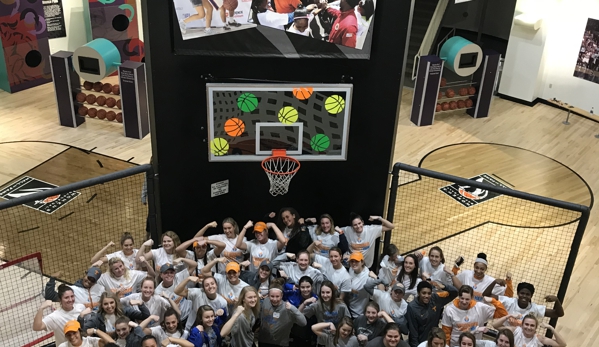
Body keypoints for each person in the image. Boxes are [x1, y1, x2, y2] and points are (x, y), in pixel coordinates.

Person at [441, 285, 507, 346]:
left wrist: (493, 301)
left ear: (472, 297)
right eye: (462, 298)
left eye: (467, 299)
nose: (464, 302)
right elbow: (446, 332)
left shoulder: (480, 307)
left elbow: (502, 314)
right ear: (458, 296)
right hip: (456, 345)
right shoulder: (449, 310)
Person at [406, 281, 457, 347]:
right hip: (421, 341)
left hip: (435, 339)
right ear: (418, 293)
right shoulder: (412, 307)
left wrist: (444, 287)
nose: (426, 296)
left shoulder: (436, 299)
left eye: (429, 293)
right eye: (424, 293)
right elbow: (413, 331)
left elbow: (455, 293)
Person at [300, 280, 350, 345]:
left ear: (332, 292)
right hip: (322, 338)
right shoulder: (317, 304)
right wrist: (304, 303)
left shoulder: (341, 305)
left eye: (328, 292)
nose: (325, 295)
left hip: (338, 338)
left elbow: (349, 322)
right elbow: (299, 315)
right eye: (323, 292)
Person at [258, 282, 307, 347]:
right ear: (268, 295)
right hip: (263, 341)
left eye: (277, 296)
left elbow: (303, 323)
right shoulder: (265, 301)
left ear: (282, 295)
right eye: (272, 296)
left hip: (280, 344)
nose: (275, 299)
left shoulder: (288, 308)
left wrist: (293, 308)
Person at [82, 291, 150, 335]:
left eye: (111, 302)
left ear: (116, 302)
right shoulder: (97, 318)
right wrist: (81, 316)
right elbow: (82, 330)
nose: (109, 306)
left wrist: (140, 304)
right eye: (105, 304)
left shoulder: (124, 311)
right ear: (102, 306)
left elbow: (145, 315)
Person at [498, 282, 564, 327]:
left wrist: (557, 300)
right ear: (518, 293)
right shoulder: (509, 302)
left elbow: (559, 314)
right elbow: (490, 297)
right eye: (522, 293)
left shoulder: (535, 309)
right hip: (506, 338)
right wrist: (495, 282)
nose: (524, 296)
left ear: (531, 295)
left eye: (527, 294)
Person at [154, 258, 198, 323]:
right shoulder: (158, 291)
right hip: (177, 320)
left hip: (190, 313)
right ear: (161, 275)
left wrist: (182, 259)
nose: (169, 274)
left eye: (171, 272)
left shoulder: (178, 277)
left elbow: (194, 265)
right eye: (166, 273)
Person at [492, 314, 567, 347]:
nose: (529, 327)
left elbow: (562, 344)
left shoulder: (538, 339)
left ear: (535, 328)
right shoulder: (515, 330)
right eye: (526, 324)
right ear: (522, 325)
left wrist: (551, 328)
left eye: (532, 325)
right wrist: (509, 316)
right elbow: (495, 325)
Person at [347, 252, 373, 318]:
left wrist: (376, 277)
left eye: (356, 261)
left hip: (359, 313)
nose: (354, 263)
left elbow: (381, 290)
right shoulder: (351, 269)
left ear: (362, 262)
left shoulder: (367, 277)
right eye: (352, 261)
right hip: (349, 307)